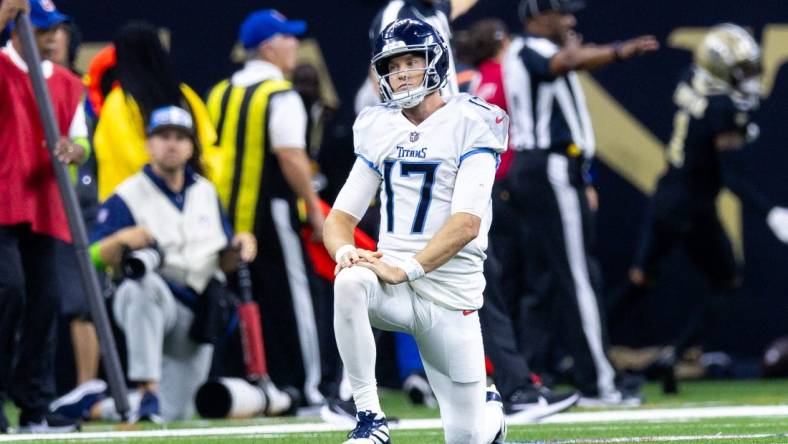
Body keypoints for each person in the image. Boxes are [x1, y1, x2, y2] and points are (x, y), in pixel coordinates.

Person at [324, 19, 508, 443]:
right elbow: (338, 220)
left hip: (449, 295)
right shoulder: (379, 126)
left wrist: (407, 268)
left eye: (412, 60)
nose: (403, 73)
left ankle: (490, 417)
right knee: (350, 281)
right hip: (397, 288)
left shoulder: (473, 120)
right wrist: (344, 253)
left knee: (466, 437)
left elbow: (466, 224)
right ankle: (370, 418)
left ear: (437, 61)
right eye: (394, 65)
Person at [501, 0, 658, 406]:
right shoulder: (528, 49)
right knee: (579, 275)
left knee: (545, 281)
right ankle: (598, 382)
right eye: (562, 12)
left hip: (548, 170)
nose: (571, 19)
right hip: (547, 167)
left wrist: (583, 176)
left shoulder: (545, 50)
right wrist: (619, 50)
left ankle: (528, 377)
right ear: (537, 17)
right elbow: (562, 63)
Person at [624, 23, 788, 392]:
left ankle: (588, 354)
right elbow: (729, 175)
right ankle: (677, 353)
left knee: (640, 280)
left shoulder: (692, 78)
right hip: (693, 207)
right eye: (741, 71)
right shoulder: (723, 107)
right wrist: (770, 213)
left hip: (667, 195)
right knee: (726, 281)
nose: (749, 78)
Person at [85, 106, 256, 422]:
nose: (172, 144)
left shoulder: (205, 191)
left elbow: (225, 261)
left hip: (196, 315)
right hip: (151, 302)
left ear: (191, 146)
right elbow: (91, 256)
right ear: (149, 143)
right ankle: (147, 389)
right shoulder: (128, 194)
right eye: (163, 136)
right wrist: (121, 239)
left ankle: (91, 408)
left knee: (176, 413)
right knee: (142, 287)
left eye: (180, 137)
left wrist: (242, 245)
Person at [205, 9, 325, 406]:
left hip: (226, 216)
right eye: (288, 38)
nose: (295, 45)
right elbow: (290, 155)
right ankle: (309, 389)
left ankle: (265, 384)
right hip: (272, 211)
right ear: (269, 48)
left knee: (247, 301)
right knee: (294, 298)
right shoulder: (280, 94)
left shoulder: (220, 91)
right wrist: (313, 207)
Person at [463, 18, 579, 418]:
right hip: (508, 187)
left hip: (485, 190)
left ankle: (509, 373)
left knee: (499, 285)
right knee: (534, 280)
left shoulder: (473, 80)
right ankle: (526, 372)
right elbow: (513, 132)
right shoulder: (503, 72)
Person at [0, 0, 86, 433]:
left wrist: (74, 150)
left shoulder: (70, 83)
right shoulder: (1, 66)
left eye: (57, 30)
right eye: (41, 29)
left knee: (45, 304)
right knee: (7, 292)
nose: (52, 38)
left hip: (47, 208)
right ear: (18, 29)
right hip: (2, 204)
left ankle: (34, 406)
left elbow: (80, 140)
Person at [93, 21, 217, 202]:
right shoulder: (186, 96)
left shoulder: (119, 102)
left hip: (134, 208)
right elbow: (207, 148)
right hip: (189, 201)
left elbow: (124, 155)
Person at [355, 0, 479, 113]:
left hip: (448, 117)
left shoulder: (437, 12)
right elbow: (380, 74)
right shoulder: (395, 14)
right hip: (416, 124)